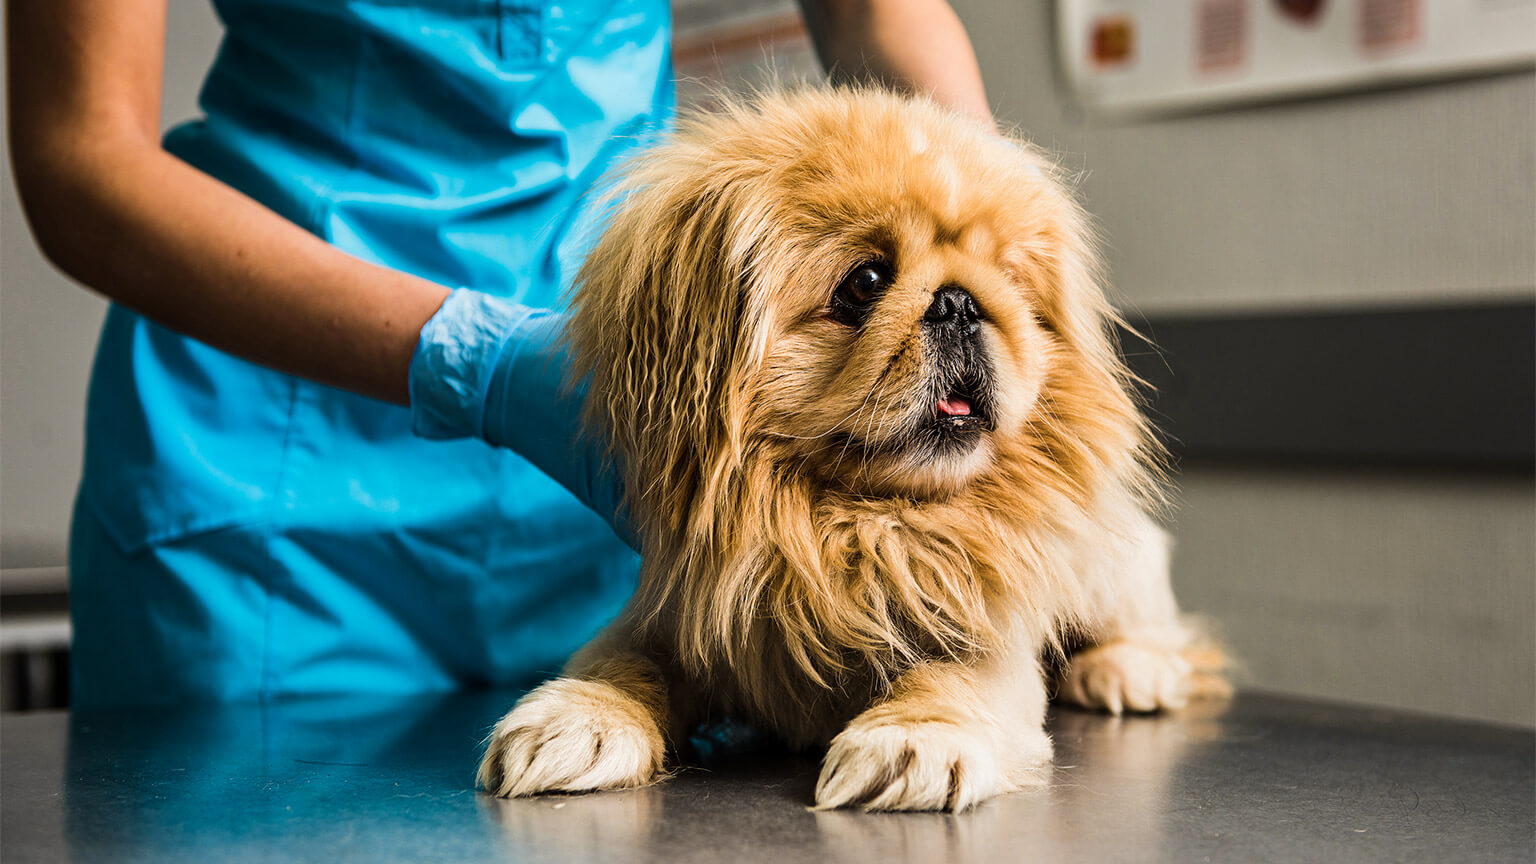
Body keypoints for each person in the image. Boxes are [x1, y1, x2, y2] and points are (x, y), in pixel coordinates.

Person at [7, 0, 996, 706]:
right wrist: (477, 358)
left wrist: (996, 260)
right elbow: (80, 155)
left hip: (619, 461)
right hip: (273, 484)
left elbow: (879, 15)